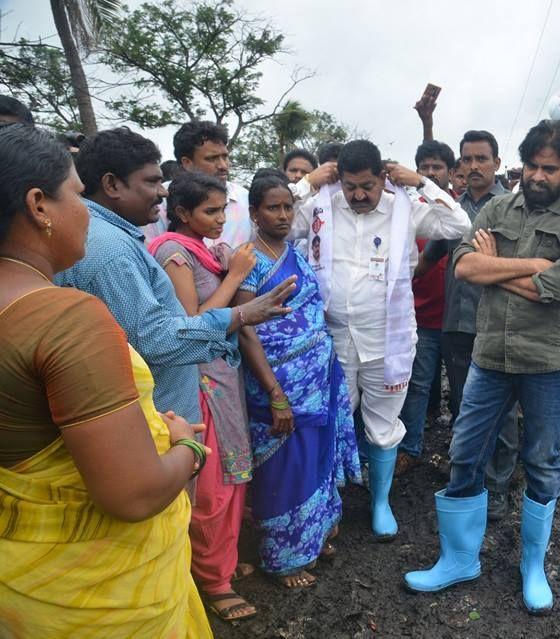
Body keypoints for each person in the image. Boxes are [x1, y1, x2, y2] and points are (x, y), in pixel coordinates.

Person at [0, 123, 213, 638]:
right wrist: (188, 447)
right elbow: (133, 495)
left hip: (24, 581)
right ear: (39, 205)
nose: (85, 215)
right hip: (97, 600)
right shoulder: (66, 319)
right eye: (76, 193)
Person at [405, 119, 560, 614]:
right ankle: (459, 559)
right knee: (465, 450)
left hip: (547, 360)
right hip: (490, 355)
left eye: (549, 168)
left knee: (540, 461)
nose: (537, 176)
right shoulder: (497, 206)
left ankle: (533, 565)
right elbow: (464, 267)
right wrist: (534, 266)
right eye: (532, 165)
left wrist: (501, 274)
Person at [56, 127, 294, 426]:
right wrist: (240, 315)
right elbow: (155, 339)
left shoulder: (114, 237)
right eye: (153, 181)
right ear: (112, 185)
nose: (163, 191)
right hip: (155, 423)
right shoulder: (112, 251)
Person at [313, 139, 470, 541]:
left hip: (388, 339)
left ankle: (380, 502)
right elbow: (276, 218)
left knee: (383, 425)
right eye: (350, 186)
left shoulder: (405, 206)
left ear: (383, 177)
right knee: (331, 418)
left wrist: (422, 182)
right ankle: (327, 500)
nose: (359, 195)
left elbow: (459, 226)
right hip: (332, 338)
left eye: (367, 185)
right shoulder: (323, 204)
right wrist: (309, 182)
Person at [234, 173, 362, 588]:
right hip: (276, 386)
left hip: (316, 381)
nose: (283, 214)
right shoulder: (249, 260)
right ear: (255, 213)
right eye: (273, 207)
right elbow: (247, 328)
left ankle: (314, 535)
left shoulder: (294, 251)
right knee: (284, 467)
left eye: (288, 206)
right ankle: (284, 556)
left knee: (314, 459)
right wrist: (275, 393)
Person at [147, 172, 258, 620]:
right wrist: (234, 278)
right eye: (209, 211)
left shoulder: (206, 251)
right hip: (198, 379)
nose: (219, 219)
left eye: (221, 210)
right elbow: (192, 322)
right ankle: (214, 580)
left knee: (232, 476)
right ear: (182, 213)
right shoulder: (174, 252)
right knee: (210, 484)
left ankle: (220, 566)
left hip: (222, 375)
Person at [423, 130, 520, 521]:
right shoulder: (452, 208)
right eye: (467, 160)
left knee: (502, 410)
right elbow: (430, 257)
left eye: (482, 158)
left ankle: (498, 485)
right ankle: (471, 480)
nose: (474, 166)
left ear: (497, 163)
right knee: (467, 407)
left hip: (499, 325)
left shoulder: (515, 207)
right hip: (457, 325)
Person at [396, 139, 457, 474]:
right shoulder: (407, 207)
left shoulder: (455, 210)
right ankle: (411, 447)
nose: (431, 172)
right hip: (421, 316)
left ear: (451, 172)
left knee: (465, 391)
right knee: (417, 384)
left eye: (438, 167)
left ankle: (461, 451)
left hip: (460, 319)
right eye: (425, 167)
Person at [142, 121, 251, 248]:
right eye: (211, 158)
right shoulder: (161, 201)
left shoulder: (244, 198)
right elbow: (150, 252)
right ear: (187, 162)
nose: (223, 165)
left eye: (225, 156)